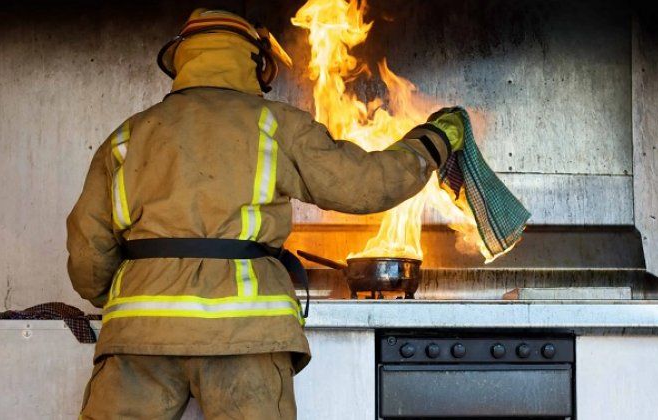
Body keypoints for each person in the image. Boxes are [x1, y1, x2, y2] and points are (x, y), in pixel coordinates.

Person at [67, 8, 463, 420]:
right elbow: (366, 185)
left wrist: (133, 290)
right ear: (255, 64)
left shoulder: (127, 137)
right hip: (246, 333)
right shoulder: (274, 125)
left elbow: (87, 252)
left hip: (138, 335)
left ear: (182, 60)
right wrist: (433, 141)